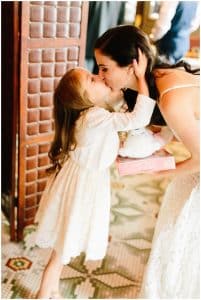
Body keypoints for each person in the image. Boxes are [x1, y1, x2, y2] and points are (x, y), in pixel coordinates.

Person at [94, 24, 200, 298]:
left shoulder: (169, 99)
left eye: (105, 68)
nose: (100, 75)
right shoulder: (157, 80)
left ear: (131, 66)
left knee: (184, 235)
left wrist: (161, 172)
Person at [34, 65, 156, 299]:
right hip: (84, 186)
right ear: (85, 97)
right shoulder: (94, 117)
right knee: (61, 248)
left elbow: (115, 105)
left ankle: (52, 289)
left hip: (81, 181)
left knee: (64, 242)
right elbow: (139, 117)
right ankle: (43, 293)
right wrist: (140, 78)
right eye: (92, 79)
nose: (99, 77)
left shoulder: (90, 114)